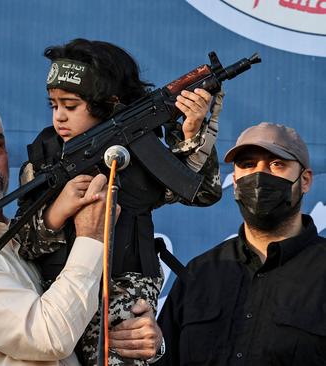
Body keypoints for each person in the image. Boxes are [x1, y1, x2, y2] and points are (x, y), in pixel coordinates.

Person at [0, 95, 160, 365]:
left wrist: (139, 335)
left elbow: (78, 323)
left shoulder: (28, 237)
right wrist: (91, 236)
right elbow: (50, 337)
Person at [14, 39, 222, 365]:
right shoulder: (45, 159)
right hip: (54, 299)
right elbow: (20, 244)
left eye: (71, 106)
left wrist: (192, 133)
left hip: (125, 297)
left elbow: (202, 192)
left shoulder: (141, 155)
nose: (60, 118)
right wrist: (57, 211)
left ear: (106, 103)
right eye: (54, 106)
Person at [156, 122, 324, 365]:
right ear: (235, 181)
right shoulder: (199, 274)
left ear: (305, 180)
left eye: (277, 164)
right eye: (248, 165)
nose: (259, 175)